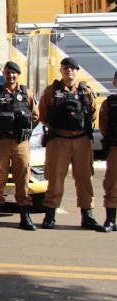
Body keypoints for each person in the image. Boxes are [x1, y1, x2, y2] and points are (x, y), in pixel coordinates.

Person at [38, 57, 104, 231]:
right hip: (58, 140)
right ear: (60, 70)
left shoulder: (86, 91)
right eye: (66, 67)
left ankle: (87, 215)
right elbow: (43, 115)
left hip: (81, 140)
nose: (69, 70)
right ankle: (50, 215)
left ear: (77, 71)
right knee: (55, 178)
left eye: (73, 68)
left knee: (84, 178)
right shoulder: (51, 91)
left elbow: (92, 114)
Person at [0, 61, 39, 230]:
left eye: (14, 73)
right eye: (8, 72)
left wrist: (24, 131)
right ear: (4, 74)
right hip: (1, 141)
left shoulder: (26, 93)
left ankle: (25, 217)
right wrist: (0, 129)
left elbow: (35, 116)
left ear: (18, 75)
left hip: (20, 142)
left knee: (22, 178)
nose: (11, 75)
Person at [97, 70, 117, 232]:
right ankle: (110, 220)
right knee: (112, 184)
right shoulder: (109, 104)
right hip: (115, 148)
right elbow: (103, 127)